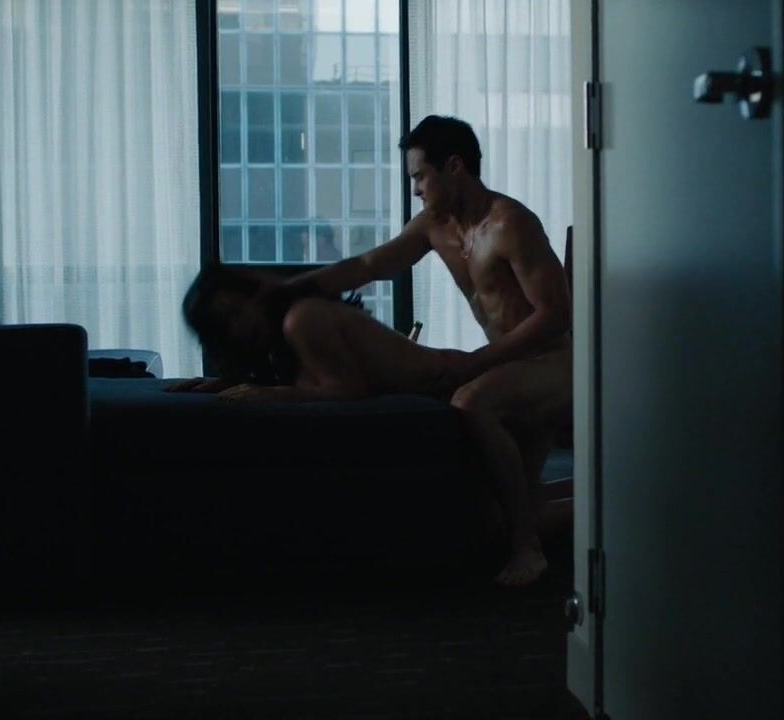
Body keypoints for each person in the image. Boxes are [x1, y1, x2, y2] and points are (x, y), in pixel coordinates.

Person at [174, 115, 572, 587]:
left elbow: (556, 315)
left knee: (471, 402)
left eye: (419, 176)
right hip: (505, 366)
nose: (415, 189)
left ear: (454, 167)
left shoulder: (511, 224)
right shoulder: (434, 227)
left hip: (555, 363)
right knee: (501, 517)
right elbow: (367, 265)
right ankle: (609, 502)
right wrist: (286, 288)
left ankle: (527, 550)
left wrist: (477, 364)